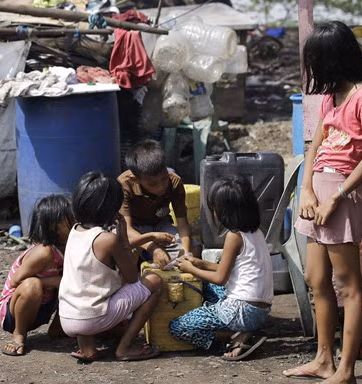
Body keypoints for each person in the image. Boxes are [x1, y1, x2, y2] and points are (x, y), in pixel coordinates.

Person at [282, 21, 362, 384]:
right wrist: (306, 189)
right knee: (316, 280)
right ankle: (323, 358)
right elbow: (314, 148)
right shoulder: (331, 98)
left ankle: (346, 371)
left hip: (340, 196)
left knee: (349, 287)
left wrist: (335, 196)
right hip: (317, 196)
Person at [58, 171, 163, 361]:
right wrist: (122, 234)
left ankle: (87, 349)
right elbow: (131, 277)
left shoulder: (75, 231)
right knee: (154, 281)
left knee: (88, 286)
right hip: (92, 318)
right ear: (112, 208)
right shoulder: (107, 239)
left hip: (68, 318)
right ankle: (124, 348)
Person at [169, 175, 273, 360]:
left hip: (241, 311)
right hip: (260, 310)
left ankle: (228, 341)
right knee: (207, 287)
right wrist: (201, 264)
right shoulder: (255, 232)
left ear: (222, 212)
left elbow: (220, 278)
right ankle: (243, 331)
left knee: (177, 327)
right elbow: (230, 269)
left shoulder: (234, 236)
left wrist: (191, 269)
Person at [0, 195, 74, 356]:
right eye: (70, 217)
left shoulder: (69, 248)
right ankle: (18, 334)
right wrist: (53, 281)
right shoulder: (44, 252)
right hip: (15, 311)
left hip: (43, 307)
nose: (75, 220)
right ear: (55, 226)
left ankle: (58, 327)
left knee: (74, 279)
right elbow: (16, 281)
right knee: (33, 285)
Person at [118, 140, 192, 267]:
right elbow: (127, 230)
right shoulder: (125, 184)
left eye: (164, 179)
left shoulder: (174, 181)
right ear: (135, 179)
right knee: (128, 253)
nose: (161, 187)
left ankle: (148, 256)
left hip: (161, 225)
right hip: (135, 229)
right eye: (152, 184)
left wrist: (186, 253)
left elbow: (182, 224)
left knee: (193, 249)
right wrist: (154, 248)